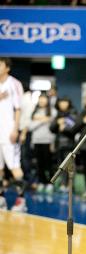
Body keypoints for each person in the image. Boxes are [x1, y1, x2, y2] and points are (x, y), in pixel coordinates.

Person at [0, 57, 26, 212]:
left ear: (7, 68)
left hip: (9, 132)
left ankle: (21, 200)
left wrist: (16, 129)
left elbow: (18, 109)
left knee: (15, 167)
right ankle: (1, 198)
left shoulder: (14, 84)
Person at [29, 93, 55, 194]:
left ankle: (50, 183)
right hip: (36, 141)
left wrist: (38, 119)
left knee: (48, 164)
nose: (42, 101)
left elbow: (53, 128)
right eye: (40, 99)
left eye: (44, 99)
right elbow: (30, 127)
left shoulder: (52, 111)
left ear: (47, 100)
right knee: (39, 164)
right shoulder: (34, 111)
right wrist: (43, 120)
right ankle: (41, 181)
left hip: (47, 141)